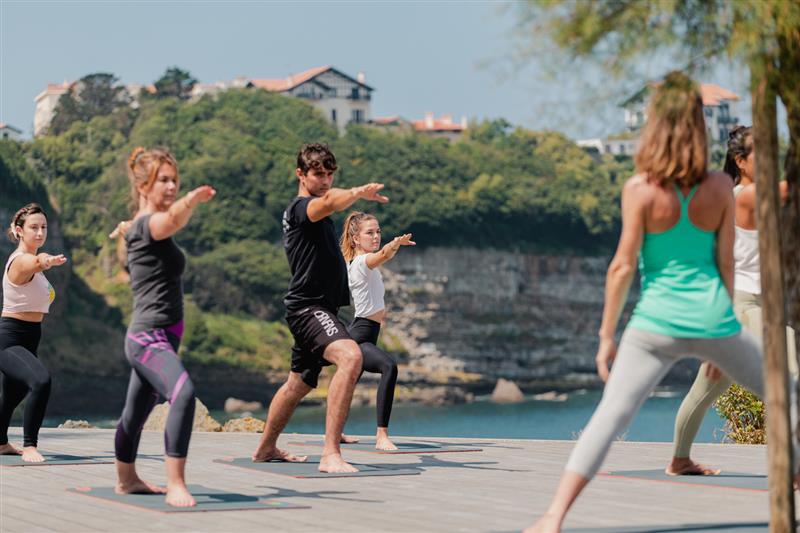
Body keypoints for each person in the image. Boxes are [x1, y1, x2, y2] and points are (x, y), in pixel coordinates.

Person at [524, 72, 792, 533]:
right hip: (713, 317)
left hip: (654, 322)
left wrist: (606, 336)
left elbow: (622, 268)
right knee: (786, 397)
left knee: (608, 419)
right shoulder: (719, 188)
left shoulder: (639, 188)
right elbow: (726, 263)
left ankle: (553, 517)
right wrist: (721, 334)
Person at [666, 125, 797, 476]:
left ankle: (680, 459)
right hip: (746, 305)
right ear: (740, 161)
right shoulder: (745, 196)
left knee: (708, 386)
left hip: (755, 303)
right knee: (792, 378)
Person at [252, 143, 387, 473]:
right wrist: (357, 192)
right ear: (300, 174)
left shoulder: (318, 214)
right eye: (318, 174)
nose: (325, 180)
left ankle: (266, 448)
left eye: (329, 174)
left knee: (298, 383)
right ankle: (330, 454)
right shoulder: (302, 209)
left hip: (319, 309)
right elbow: (327, 202)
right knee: (351, 356)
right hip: (309, 309)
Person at [110, 147, 215, 507]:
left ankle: (126, 481)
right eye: (163, 180)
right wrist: (190, 199)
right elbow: (168, 222)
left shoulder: (140, 226)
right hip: (147, 337)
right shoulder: (147, 226)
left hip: (165, 336)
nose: (171, 186)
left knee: (134, 414)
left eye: (175, 180)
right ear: (143, 185)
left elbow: (163, 222)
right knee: (183, 394)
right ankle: (176, 484)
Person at [340, 212, 415, 450]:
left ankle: (336, 431)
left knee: (347, 385)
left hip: (367, 330)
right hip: (361, 333)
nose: (376, 236)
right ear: (355, 238)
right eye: (369, 232)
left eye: (378, 232)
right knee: (388, 366)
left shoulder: (363, 263)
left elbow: (385, 255)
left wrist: (393, 247)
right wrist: (393, 244)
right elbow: (383, 255)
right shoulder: (362, 263)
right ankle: (381, 435)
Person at [0, 203, 66, 462]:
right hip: (9, 338)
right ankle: (30, 446)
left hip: (30, 336)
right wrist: (46, 260)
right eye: (34, 228)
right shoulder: (20, 262)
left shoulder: (32, 265)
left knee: (14, 393)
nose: (40, 233)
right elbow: (35, 261)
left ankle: (1, 443)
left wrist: (44, 261)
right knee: (41, 381)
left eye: (43, 228)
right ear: (19, 231)